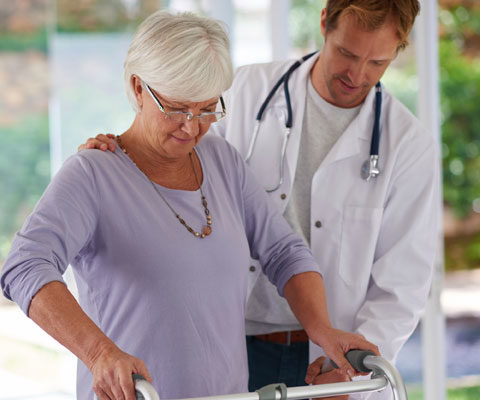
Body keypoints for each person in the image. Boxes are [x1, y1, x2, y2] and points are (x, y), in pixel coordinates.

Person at [1, 10, 378, 400]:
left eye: (207, 109)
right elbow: (25, 265)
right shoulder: (92, 174)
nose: (192, 127)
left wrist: (323, 329)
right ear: (138, 87)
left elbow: (285, 251)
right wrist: (99, 354)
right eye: (178, 108)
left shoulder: (222, 160)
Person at [80, 1, 440, 398]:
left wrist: (353, 370)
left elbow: (401, 285)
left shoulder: (408, 146)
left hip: (323, 360)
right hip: (230, 342)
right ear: (324, 23)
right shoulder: (244, 91)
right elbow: (176, 146)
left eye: (377, 63)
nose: (356, 75)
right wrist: (126, 155)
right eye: (347, 53)